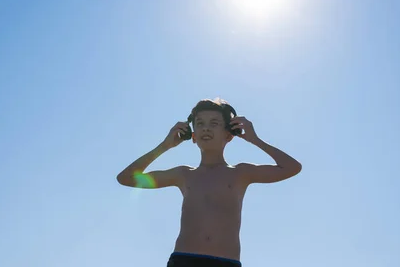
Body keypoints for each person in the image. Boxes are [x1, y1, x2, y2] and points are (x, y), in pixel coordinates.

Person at [116, 98, 302, 267]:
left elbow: (292, 167)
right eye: (200, 124)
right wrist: (165, 146)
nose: (206, 128)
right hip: (183, 260)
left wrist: (255, 139)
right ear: (193, 136)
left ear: (229, 135)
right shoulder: (183, 175)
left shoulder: (241, 173)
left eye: (214, 124)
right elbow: (126, 178)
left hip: (225, 262)